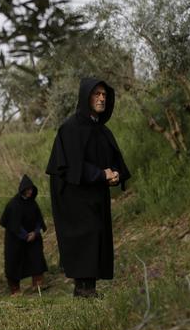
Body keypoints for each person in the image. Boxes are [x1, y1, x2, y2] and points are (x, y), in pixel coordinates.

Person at [46, 78, 131, 298]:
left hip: (95, 195)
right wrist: (101, 174)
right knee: (85, 237)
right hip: (74, 197)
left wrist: (115, 175)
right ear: (86, 97)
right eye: (97, 94)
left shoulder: (102, 130)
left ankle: (87, 290)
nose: (102, 98)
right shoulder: (70, 128)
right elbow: (70, 165)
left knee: (96, 238)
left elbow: (112, 160)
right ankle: (83, 290)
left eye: (104, 94)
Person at [0, 175, 48, 295]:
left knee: (36, 258)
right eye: (27, 190)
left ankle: (38, 284)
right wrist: (25, 235)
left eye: (31, 190)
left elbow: (39, 220)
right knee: (14, 262)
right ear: (22, 189)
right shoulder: (13, 204)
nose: (30, 192)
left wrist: (35, 232)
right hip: (16, 240)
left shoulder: (33, 203)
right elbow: (12, 224)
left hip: (33, 237)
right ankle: (15, 290)